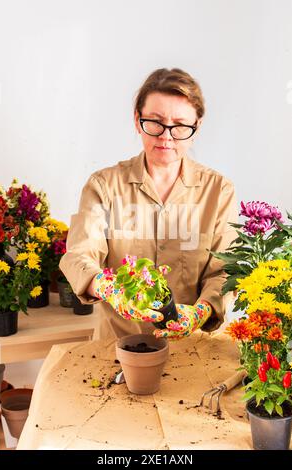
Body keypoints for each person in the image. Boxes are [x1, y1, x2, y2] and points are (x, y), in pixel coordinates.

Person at [60, 68, 238, 341]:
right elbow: (79, 256)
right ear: (137, 119)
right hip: (118, 344)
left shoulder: (218, 191)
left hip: (198, 349)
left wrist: (200, 312)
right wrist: (110, 289)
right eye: (154, 122)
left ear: (196, 127)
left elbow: (224, 272)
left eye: (179, 125)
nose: (166, 136)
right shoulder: (104, 186)